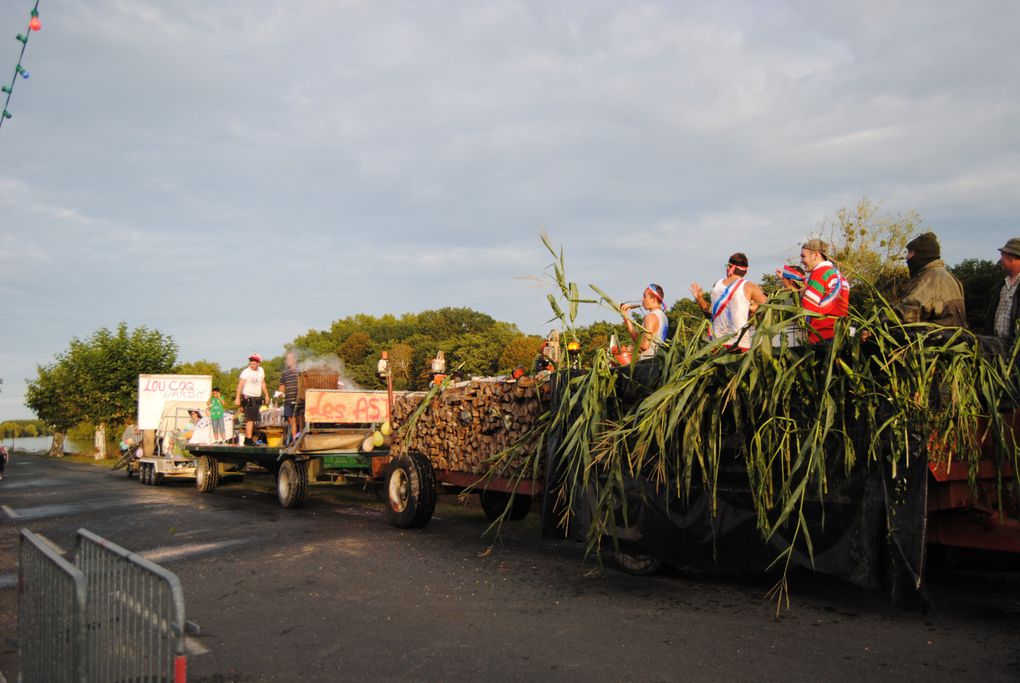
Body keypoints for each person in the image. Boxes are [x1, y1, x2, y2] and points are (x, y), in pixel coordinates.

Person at [690, 253, 768, 351]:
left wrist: (700, 299)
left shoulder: (717, 285)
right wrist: (753, 310)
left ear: (729, 267)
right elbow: (769, 307)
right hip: (739, 344)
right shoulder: (750, 287)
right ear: (745, 271)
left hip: (716, 344)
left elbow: (710, 313)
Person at [892, 232, 966, 328]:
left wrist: (877, 325)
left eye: (910, 252)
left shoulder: (930, 279)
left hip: (936, 341)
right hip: (954, 339)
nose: (906, 257)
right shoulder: (951, 278)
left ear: (921, 254)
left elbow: (908, 312)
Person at [782, 239, 849, 343]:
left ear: (815, 255)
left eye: (803, 256)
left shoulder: (819, 273)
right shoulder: (837, 274)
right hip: (840, 335)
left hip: (822, 336)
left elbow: (807, 309)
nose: (801, 260)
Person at [984, 238, 1020, 346]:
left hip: (1015, 353)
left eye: (1002, 255)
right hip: (998, 349)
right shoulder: (1001, 287)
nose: (1000, 260)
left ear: (1011, 257)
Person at [620, 284, 668, 359]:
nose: (642, 300)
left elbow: (644, 346)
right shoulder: (662, 316)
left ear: (654, 299)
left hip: (648, 364)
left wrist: (629, 349)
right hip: (657, 362)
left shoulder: (650, 317)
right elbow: (639, 340)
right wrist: (626, 319)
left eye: (644, 296)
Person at [235, 353, 270, 446]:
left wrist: (266, 395)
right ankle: (249, 439)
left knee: (253, 420)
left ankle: (247, 439)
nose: (252, 364)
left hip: (257, 398)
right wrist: (237, 397)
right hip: (248, 398)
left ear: (258, 363)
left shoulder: (261, 371)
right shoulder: (246, 372)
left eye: (254, 363)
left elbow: (263, 383)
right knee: (250, 420)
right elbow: (240, 385)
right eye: (251, 363)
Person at [278, 352, 300, 445]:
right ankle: (294, 439)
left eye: (291, 358)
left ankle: (300, 438)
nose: (289, 360)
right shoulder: (284, 373)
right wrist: (280, 394)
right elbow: (282, 386)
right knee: (291, 420)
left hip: (299, 399)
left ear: (295, 360)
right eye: (287, 359)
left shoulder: (300, 371)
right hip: (288, 400)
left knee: (299, 419)